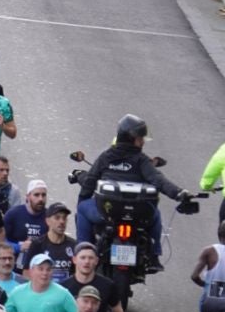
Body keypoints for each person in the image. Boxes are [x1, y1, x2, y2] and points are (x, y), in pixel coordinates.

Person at [76, 114, 190, 267]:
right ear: (131, 138)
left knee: (82, 209)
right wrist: (178, 193)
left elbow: (90, 181)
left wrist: (82, 200)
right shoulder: (141, 159)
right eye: (140, 138)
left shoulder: (106, 157)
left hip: (106, 212)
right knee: (155, 214)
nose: (142, 142)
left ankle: (82, 253)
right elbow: (159, 180)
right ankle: (154, 256)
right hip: (138, 214)